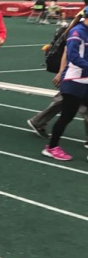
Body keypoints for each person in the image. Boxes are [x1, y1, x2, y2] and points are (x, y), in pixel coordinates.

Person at [42, 13, 88, 161]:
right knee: (67, 116)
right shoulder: (77, 32)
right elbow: (73, 57)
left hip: (85, 80)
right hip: (74, 81)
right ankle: (52, 147)